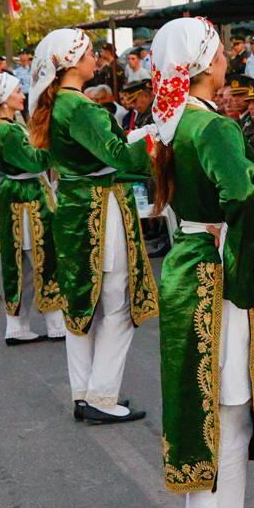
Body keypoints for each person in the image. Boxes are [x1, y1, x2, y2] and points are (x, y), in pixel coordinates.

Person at [144, 17, 254, 508]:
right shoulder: (213, 127)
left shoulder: (173, 120)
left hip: (189, 265)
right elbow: (244, 196)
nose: (228, 58)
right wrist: (242, 267)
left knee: (206, 415)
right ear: (206, 63)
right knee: (227, 419)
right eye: (220, 51)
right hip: (219, 278)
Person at [29, 29, 157, 425]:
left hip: (73, 203)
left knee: (81, 302)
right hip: (98, 209)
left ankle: (84, 392)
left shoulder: (58, 103)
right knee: (117, 303)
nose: (94, 59)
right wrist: (154, 138)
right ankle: (101, 395)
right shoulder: (80, 107)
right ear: (72, 63)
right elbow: (120, 157)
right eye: (88, 54)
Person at [0, 72, 66, 345]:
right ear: (3, 99)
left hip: (18, 195)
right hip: (27, 199)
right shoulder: (8, 131)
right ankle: (54, 323)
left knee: (22, 266)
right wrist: (54, 144)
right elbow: (35, 161)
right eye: (17, 91)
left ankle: (18, 325)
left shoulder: (4, 127)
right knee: (43, 259)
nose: (22, 95)